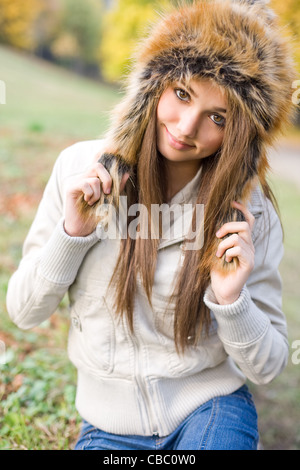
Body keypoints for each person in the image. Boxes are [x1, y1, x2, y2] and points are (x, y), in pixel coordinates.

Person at [6, 0, 295, 450]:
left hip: (211, 407)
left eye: (217, 117)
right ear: (152, 87)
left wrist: (231, 298)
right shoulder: (79, 170)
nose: (186, 127)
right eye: (181, 94)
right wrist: (73, 234)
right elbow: (24, 312)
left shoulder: (249, 216)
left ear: (239, 135)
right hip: (107, 427)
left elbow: (267, 366)